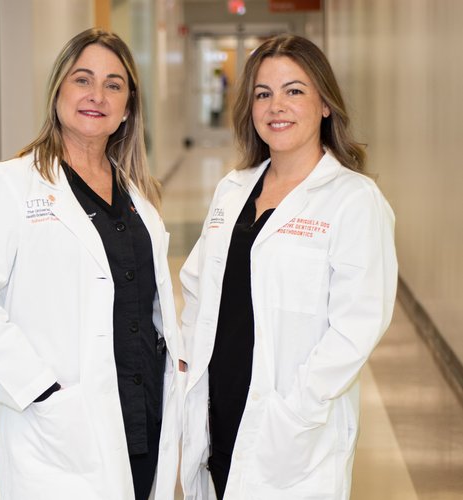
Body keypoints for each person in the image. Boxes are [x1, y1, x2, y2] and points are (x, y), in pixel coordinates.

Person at [0, 28, 183, 500]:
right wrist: (39, 390)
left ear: (128, 107)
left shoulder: (138, 197)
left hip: (141, 410)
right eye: (82, 80)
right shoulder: (11, 184)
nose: (97, 95)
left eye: (114, 85)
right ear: (57, 93)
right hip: (61, 425)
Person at [180, 34, 398, 500]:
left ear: (324, 104)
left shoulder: (354, 200)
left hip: (291, 430)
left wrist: (296, 410)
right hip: (219, 413)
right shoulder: (232, 190)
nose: (276, 106)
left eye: (294, 90)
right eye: (263, 93)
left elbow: (357, 327)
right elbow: (199, 287)